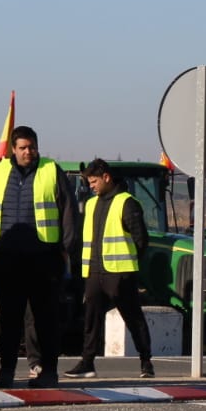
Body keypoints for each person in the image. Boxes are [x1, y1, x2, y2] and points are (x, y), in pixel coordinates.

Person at [0, 127, 77, 388]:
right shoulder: (0, 172)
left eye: (32, 147)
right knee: (9, 320)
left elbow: (69, 210)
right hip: (6, 258)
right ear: (13, 149)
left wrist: (65, 249)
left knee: (45, 319)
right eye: (23, 147)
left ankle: (48, 372)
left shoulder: (51, 170)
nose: (28, 152)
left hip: (44, 258)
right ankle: (7, 372)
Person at [66, 158, 155, 379]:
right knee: (91, 319)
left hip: (120, 273)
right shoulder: (90, 204)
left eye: (94, 181)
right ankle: (87, 364)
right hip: (94, 272)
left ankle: (146, 362)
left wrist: (130, 266)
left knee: (133, 318)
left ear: (107, 177)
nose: (91, 186)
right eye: (89, 183)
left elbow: (141, 240)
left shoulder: (127, 203)